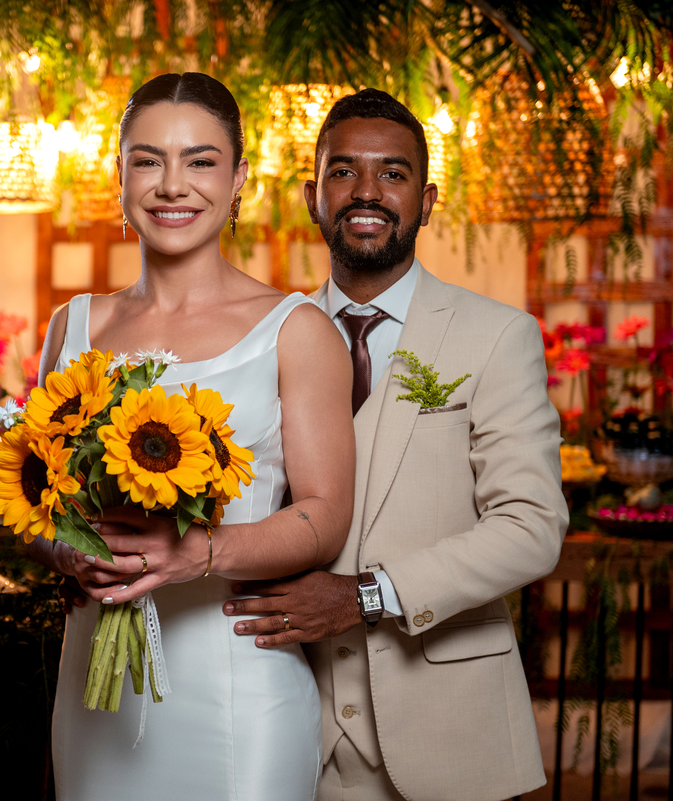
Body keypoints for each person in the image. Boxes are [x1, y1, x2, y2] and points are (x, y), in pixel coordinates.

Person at [222, 88, 568, 800]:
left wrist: (367, 595)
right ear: (312, 195)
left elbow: (532, 528)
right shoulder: (263, 340)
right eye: (343, 172)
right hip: (290, 733)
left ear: (428, 198)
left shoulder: (497, 335)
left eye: (394, 173)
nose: (367, 192)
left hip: (450, 734)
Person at [27, 72, 356, 799]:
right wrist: (71, 554)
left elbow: (326, 515)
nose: (172, 185)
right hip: (95, 695)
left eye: (200, 161)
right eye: (148, 160)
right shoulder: (72, 326)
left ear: (239, 179)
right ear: (118, 178)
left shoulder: (296, 330)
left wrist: (199, 552)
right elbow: (35, 505)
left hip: (238, 681)